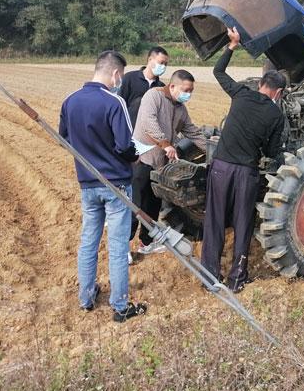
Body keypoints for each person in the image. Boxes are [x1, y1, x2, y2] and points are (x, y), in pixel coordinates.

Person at [58, 50, 147, 323]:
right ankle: (120, 307)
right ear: (116, 74)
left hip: (87, 184)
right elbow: (124, 145)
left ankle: (86, 298)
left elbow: (64, 137)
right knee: (118, 246)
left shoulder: (70, 101)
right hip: (116, 184)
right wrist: (135, 155)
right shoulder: (114, 101)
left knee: (89, 241)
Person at [200, 27, 286, 293]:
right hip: (246, 175)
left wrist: (232, 45)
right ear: (278, 93)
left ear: (260, 85)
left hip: (221, 167)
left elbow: (218, 72)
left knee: (214, 219)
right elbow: (272, 153)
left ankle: (209, 277)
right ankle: (237, 279)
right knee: (243, 223)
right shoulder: (276, 116)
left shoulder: (241, 93)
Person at [132, 69, 208, 254]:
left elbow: (192, 132)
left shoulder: (180, 109)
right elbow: (148, 122)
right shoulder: (154, 96)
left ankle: (146, 243)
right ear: (172, 86)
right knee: (135, 205)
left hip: (160, 165)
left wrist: (214, 149)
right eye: (185, 90)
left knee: (153, 205)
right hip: (142, 160)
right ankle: (123, 248)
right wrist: (166, 144)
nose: (188, 94)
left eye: (190, 91)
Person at [118, 46, 169, 127]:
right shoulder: (129, 78)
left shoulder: (162, 88)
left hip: (149, 134)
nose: (163, 67)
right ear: (150, 60)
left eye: (166, 64)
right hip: (128, 130)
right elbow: (119, 105)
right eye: (161, 63)